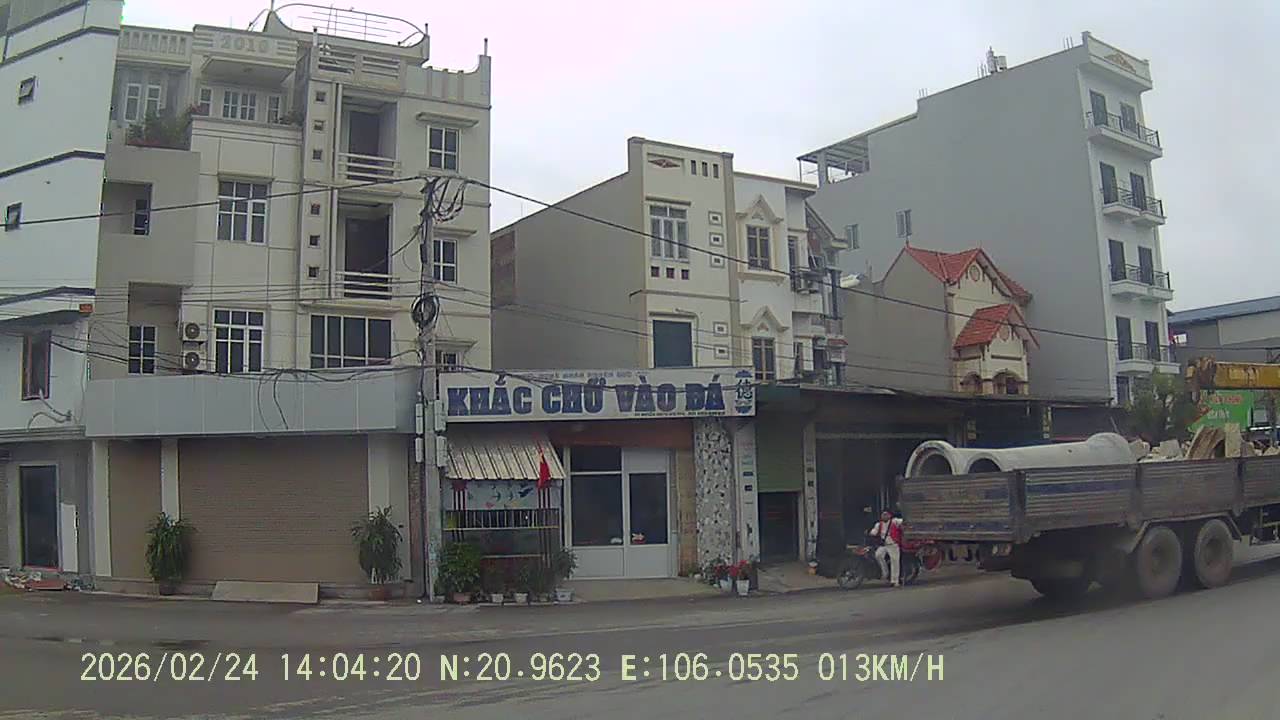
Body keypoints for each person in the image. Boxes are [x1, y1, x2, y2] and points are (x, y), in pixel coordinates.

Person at [869, 510, 905, 587]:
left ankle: (895, 581)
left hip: (893, 545)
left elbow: (903, 522)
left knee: (895, 562)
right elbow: (873, 532)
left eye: (886, 514)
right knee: (878, 555)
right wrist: (871, 532)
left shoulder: (894, 521)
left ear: (889, 515)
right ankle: (885, 572)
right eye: (883, 515)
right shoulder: (879, 524)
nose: (884, 516)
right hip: (884, 545)